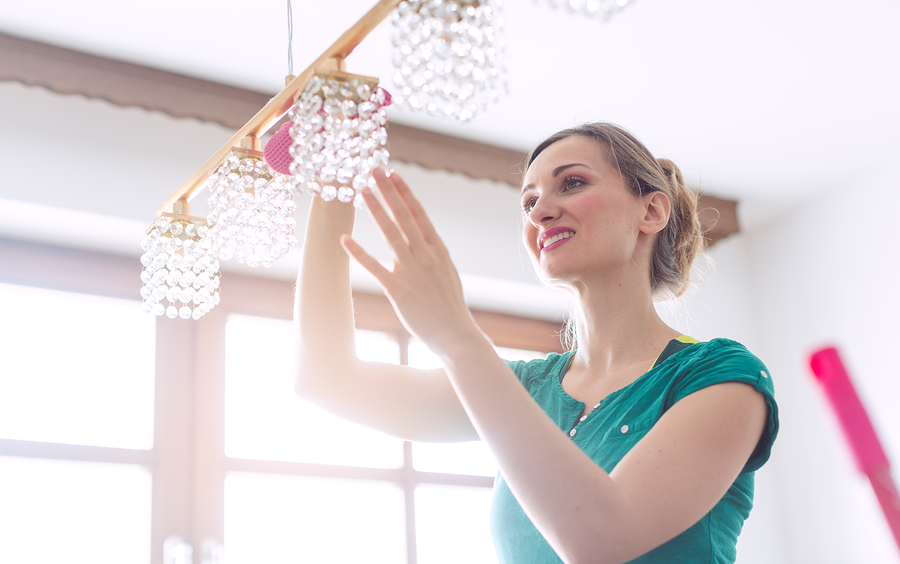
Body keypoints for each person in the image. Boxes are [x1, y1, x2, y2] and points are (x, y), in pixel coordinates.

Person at [294, 122, 779, 564]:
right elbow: (327, 379)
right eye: (529, 202)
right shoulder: (525, 388)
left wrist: (459, 339)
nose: (541, 211)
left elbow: (602, 541)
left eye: (572, 183)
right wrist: (333, 182)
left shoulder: (719, 376)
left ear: (650, 211)